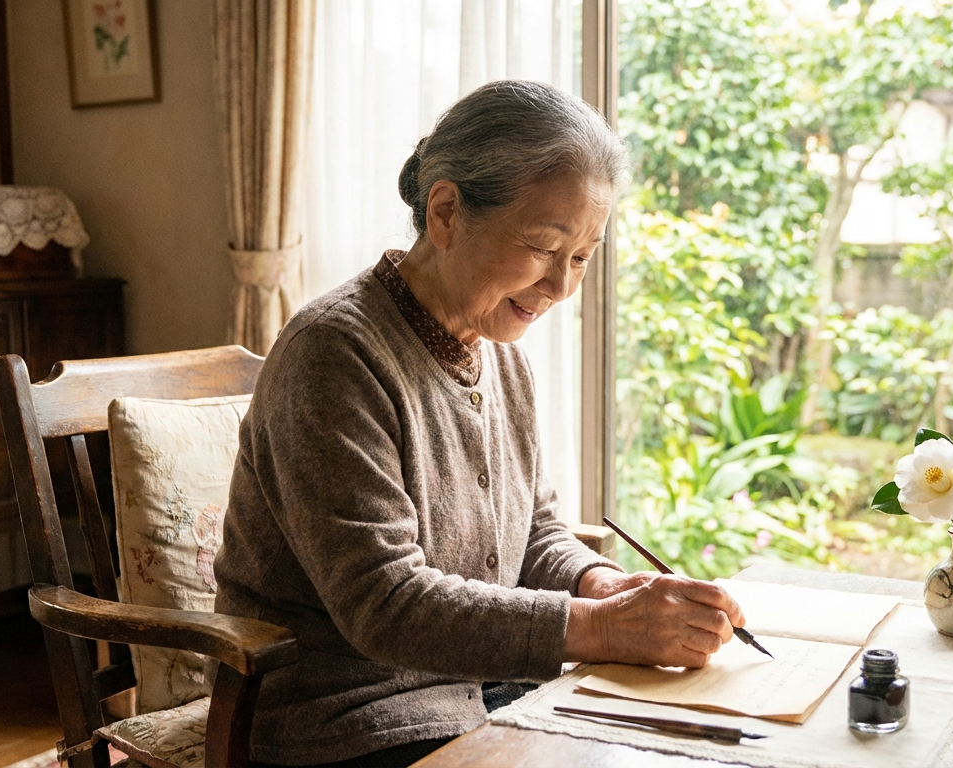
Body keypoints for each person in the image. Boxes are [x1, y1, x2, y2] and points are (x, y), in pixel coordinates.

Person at [214, 79, 745, 768]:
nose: (562, 287)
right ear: (445, 213)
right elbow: (386, 602)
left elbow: (536, 533)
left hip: (485, 697)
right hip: (345, 724)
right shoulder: (333, 353)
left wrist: (597, 585)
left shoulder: (498, 354)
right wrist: (601, 629)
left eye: (582, 255)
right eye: (543, 246)